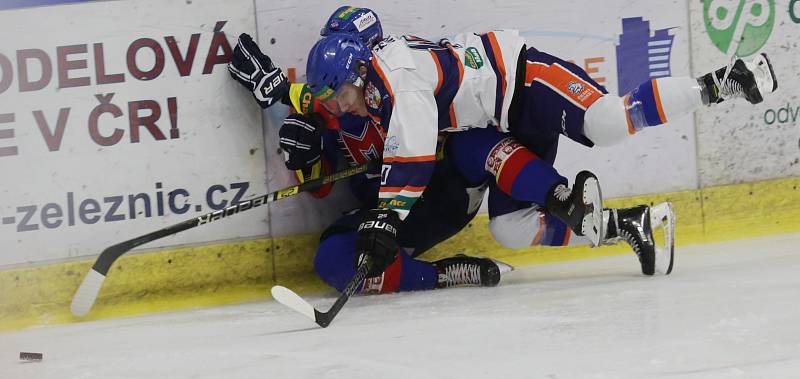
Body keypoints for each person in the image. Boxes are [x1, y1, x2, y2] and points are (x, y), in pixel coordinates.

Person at [299, 24, 776, 276]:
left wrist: (388, 214)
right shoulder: (377, 82)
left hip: (524, 79)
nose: (340, 107)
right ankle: (633, 224)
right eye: (330, 101)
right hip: (502, 120)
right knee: (509, 227)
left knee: (608, 121)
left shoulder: (394, 76)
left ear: (358, 72)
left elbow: (414, 151)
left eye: (339, 95)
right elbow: (409, 144)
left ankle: (721, 82)